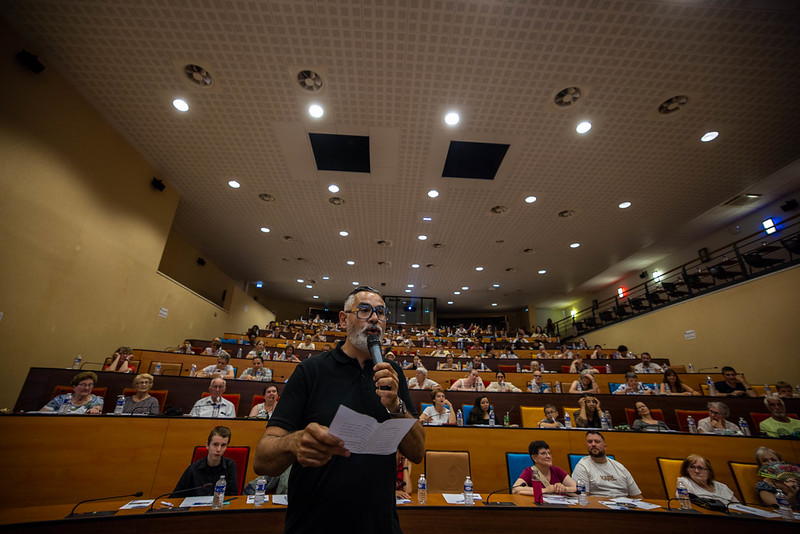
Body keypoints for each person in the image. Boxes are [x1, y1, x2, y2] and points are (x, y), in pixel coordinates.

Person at [253, 286, 424, 533]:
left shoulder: (393, 374)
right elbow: (262, 459)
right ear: (343, 319)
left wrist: (397, 405)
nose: (374, 318)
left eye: (380, 312)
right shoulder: (310, 372)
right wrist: (295, 442)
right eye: (364, 310)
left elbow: (417, 452)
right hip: (314, 524)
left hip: (380, 525)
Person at [572, 431, 643, 498]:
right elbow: (583, 498)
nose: (593, 444)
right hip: (599, 507)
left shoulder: (619, 466)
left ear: (605, 446)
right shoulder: (582, 466)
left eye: (597, 442)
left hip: (624, 506)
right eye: (590, 442)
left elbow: (637, 496)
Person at [172, 426, 238, 497]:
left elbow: (233, 495)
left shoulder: (230, 466)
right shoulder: (194, 469)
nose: (219, 449)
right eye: (215, 444)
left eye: (223, 445)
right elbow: (176, 496)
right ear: (207, 445)